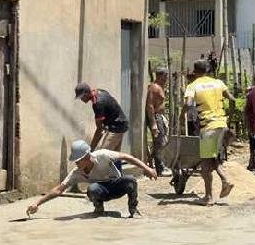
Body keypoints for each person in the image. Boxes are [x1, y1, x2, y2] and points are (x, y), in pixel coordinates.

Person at [26, 140, 157, 218]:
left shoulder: (103, 155)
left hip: (116, 185)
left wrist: (147, 169)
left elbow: (128, 158)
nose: (76, 163)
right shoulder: (76, 173)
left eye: (79, 160)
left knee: (131, 180)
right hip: (101, 190)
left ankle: (133, 209)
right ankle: (99, 207)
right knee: (92, 189)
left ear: (87, 157)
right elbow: (59, 190)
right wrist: (37, 203)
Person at [184, 60, 235, 204]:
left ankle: (209, 197)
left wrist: (184, 113)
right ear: (208, 70)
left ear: (195, 71)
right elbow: (231, 99)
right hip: (222, 125)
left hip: (208, 127)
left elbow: (188, 104)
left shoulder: (192, 85)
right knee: (214, 158)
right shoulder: (218, 83)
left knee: (205, 163)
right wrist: (228, 117)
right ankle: (225, 181)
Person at [75, 82, 128, 152]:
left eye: (82, 97)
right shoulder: (100, 91)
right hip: (120, 123)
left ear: (87, 93)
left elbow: (99, 129)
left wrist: (91, 148)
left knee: (103, 154)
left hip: (116, 127)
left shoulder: (98, 104)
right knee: (114, 156)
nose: (81, 100)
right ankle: (117, 162)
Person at [146, 68, 171, 176]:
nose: (167, 78)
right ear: (161, 75)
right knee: (160, 142)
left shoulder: (160, 87)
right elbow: (150, 105)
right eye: (166, 76)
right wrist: (153, 123)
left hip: (160, 116)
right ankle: (160, 168)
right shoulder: (154, 88)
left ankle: (159, 164)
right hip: (156, 117)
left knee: (162, 142)